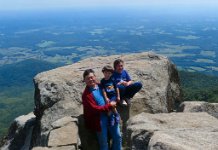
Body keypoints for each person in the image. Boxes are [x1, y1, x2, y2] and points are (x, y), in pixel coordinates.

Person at [82, 69, 122, 150]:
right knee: (104, 143)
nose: (90, 79)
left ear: (95, 77)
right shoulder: (86, 95)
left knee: (118, 137)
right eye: (88, 78)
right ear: (85, 80)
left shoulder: (101, 85)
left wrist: (115, 100)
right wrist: (109, 106)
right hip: (99, 120)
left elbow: (112, 92)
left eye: (92, 77)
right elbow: (94, 109)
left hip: (111, 115)